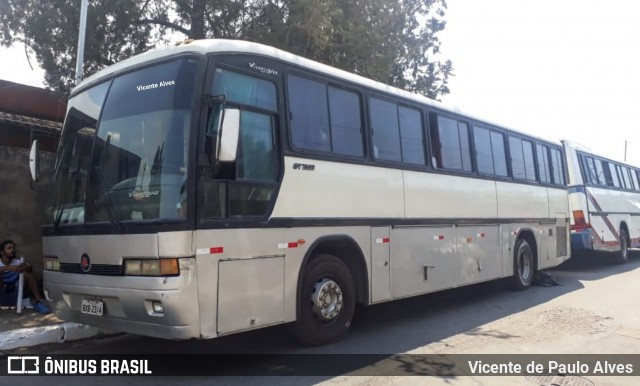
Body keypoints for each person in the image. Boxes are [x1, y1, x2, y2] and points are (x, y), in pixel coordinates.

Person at [0, 239, 50, 314]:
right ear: (1, 252)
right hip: (2, 294)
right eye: (9, 248)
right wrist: (9, 267)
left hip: (16, 293)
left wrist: (27, 266)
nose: (12, 250)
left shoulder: (18, 262)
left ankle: (39, 302)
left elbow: (29, 268)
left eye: (13, 248)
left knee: (27, 273)